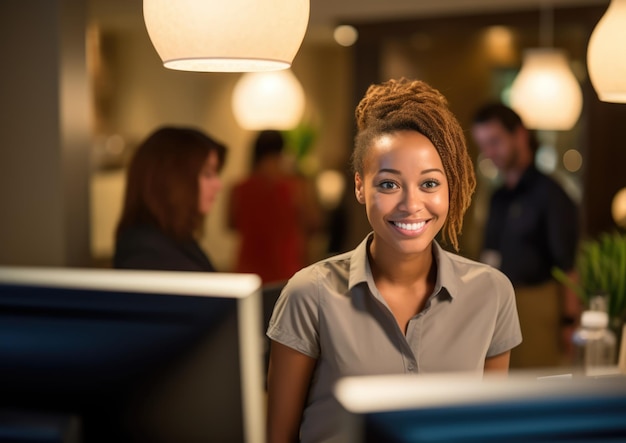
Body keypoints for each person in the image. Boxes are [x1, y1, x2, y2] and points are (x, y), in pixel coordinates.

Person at [266, 79, 522, 443]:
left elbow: (491, 431)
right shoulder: (309, 294)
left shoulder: (492, 293)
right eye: (389, 184)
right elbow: (278, 437)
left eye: (430, 184)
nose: (411, 204)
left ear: (451, 185)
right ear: (359, 186)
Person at [471, 103, 580, 368]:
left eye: (495, 141)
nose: (489, 152)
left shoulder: (551, 194)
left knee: (534, 386)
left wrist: (570, 321)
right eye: (483, 145)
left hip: (536, 306)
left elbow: (568, 265)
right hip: (494, 305)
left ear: (519, 135)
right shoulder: (498, 197)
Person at [113, 126, 227, 271]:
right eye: (207, 174)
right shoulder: (146, 252)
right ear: (173, 180)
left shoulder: (176, 239)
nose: (218, 185)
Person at [228, 130, 321, 284]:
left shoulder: (238, 188)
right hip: (285, 272)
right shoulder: (296, 186)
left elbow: (231, 224)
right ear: (282, 151)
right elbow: (313, 223)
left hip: (246, 272)